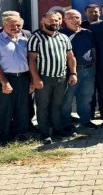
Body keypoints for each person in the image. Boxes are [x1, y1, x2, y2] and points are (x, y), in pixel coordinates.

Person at [29, 12, 76, 144]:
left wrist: (73, 73)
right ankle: (44, 133)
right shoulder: (36, 37)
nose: (54, 23)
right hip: (44, 77)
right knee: (43, 106)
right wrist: (36, 78)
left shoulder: (63, 37)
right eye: (50, 20)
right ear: (42, 21)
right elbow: (31, 60)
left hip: (61, 77)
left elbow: (71, 57)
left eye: (56, 20)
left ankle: (57, 129)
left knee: (57, 105)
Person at [0, 15, 31, 144]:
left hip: (23, 77)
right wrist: (4, 82)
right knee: (5, 108)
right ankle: (5, 136)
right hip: (5, 77)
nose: (16, 28)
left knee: (22, 107)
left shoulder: (24, 39)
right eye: (12, 25)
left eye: (18, 25)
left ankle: (21, 134)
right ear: (4, 24)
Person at [60, 10, 96, 130]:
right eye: (71, 18)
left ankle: (85, 120)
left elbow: (93, 50)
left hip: (88, 70)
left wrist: (94, 66)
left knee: (86, 97)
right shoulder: (60, 34)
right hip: (70, 72)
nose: (74, 20)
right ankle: (66, 123)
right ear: (65, 20)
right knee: (67, 98)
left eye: (77, 17)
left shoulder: (88, 33)